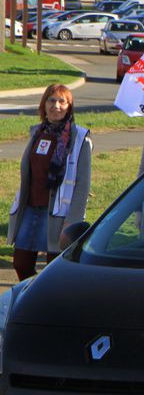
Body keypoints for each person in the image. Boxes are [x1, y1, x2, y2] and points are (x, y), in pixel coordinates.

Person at [8, 84, 92, 280]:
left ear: (69, 107)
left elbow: (82, 185)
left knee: (54, 269)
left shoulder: (80, 138)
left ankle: (48, 302)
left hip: (59, 214)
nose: (56, 106)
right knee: (21, 262)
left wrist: (72, 221)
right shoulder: (37, 133)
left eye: (62, 101)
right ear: (43, 105)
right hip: (30, 208)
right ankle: (30, 295)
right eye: (51, 100)